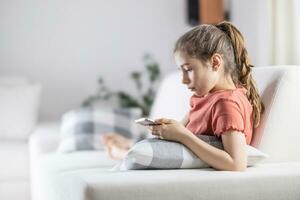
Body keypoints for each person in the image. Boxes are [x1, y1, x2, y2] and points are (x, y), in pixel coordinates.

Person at [101, 21, 264, 171]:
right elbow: (182, 130)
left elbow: (236, 164)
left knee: (131, 155)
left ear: (215, 63)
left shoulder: (226, 104)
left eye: (189, 69)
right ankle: (126, 147)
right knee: (140, 147)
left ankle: (122, 151)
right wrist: (168, 128)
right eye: (181, 71)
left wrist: (182, 135)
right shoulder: (206, 98)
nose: (183, 80)